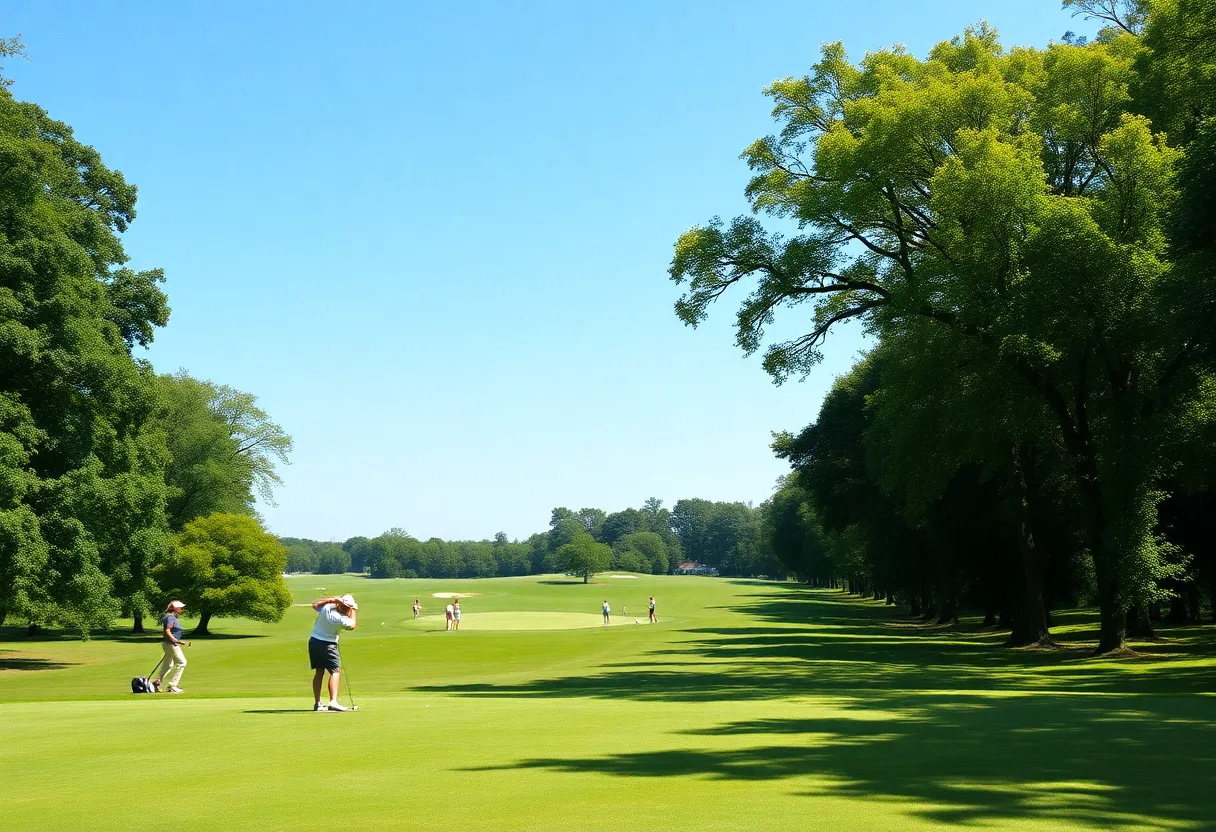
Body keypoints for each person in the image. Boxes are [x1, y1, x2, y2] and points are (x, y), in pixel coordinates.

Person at [309, 594, 358, 711]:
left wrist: (330, 599)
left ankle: (317, 704)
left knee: (319, 672)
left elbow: (315, 605)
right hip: (328, 645)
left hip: (314, 641)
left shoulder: (327, 607)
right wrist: (355, 610)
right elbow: (353, 626)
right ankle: (333, 701)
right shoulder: (342, 619)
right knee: (335, 671)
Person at [153, 601, 191, 693]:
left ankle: (157, 682)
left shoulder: (171, 617)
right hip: (171, 644)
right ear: (175, 608)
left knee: (168, 665)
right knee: (182, 662)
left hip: (168, 644)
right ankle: (172, 686)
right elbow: (167, 631)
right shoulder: (170, 617)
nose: (181, 609)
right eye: (180, 608)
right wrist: (177, 641)